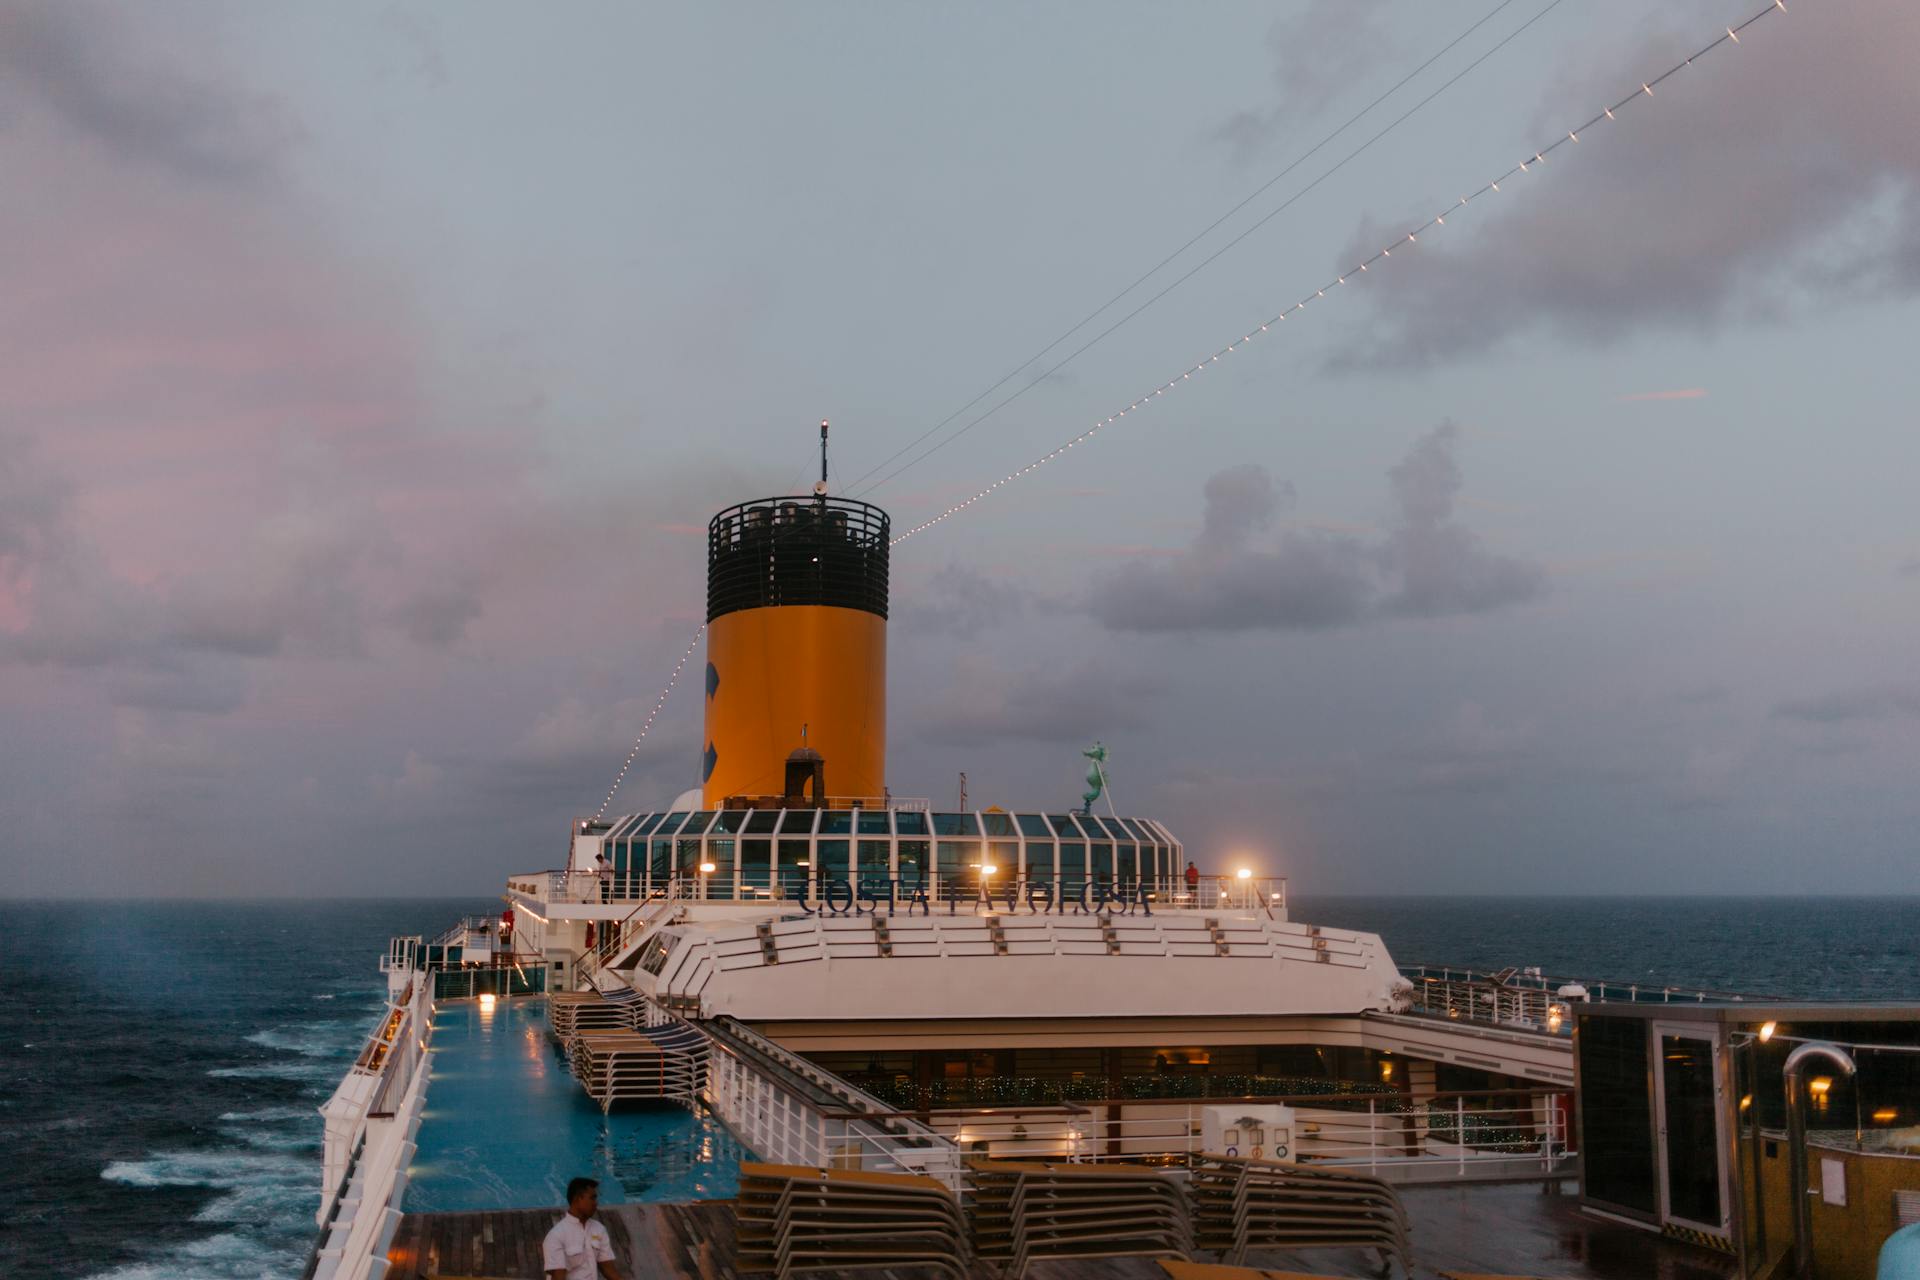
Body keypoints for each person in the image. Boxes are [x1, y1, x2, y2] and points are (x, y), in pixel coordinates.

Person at [544, 1177, 625, 1280]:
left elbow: (608, 1269)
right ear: (578, 1199)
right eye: (592, 1198)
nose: (596, 1203)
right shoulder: (556, 1236)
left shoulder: (599, 1229)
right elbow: (558, 1277)